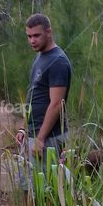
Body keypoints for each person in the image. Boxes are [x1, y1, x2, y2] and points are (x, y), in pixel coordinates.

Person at [15, 13, 72, 190]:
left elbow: (55, 104)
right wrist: (25, 127)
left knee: (44, 191)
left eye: (36, 35)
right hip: (34, 134)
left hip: (48, 138)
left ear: (48, 32)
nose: (32, 41)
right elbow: (35, 96)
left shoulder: (58, 62)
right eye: (29, 36)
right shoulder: (40, 56)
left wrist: (40, 138)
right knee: (28, 188)